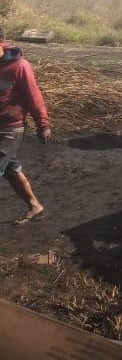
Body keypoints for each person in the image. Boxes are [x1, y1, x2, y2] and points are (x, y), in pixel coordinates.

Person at [0, 29, 51, 224]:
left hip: (10, 128)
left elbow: (33, 96)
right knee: (11, 170)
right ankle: (35, 207)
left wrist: (42, 124)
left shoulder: (19, 66)